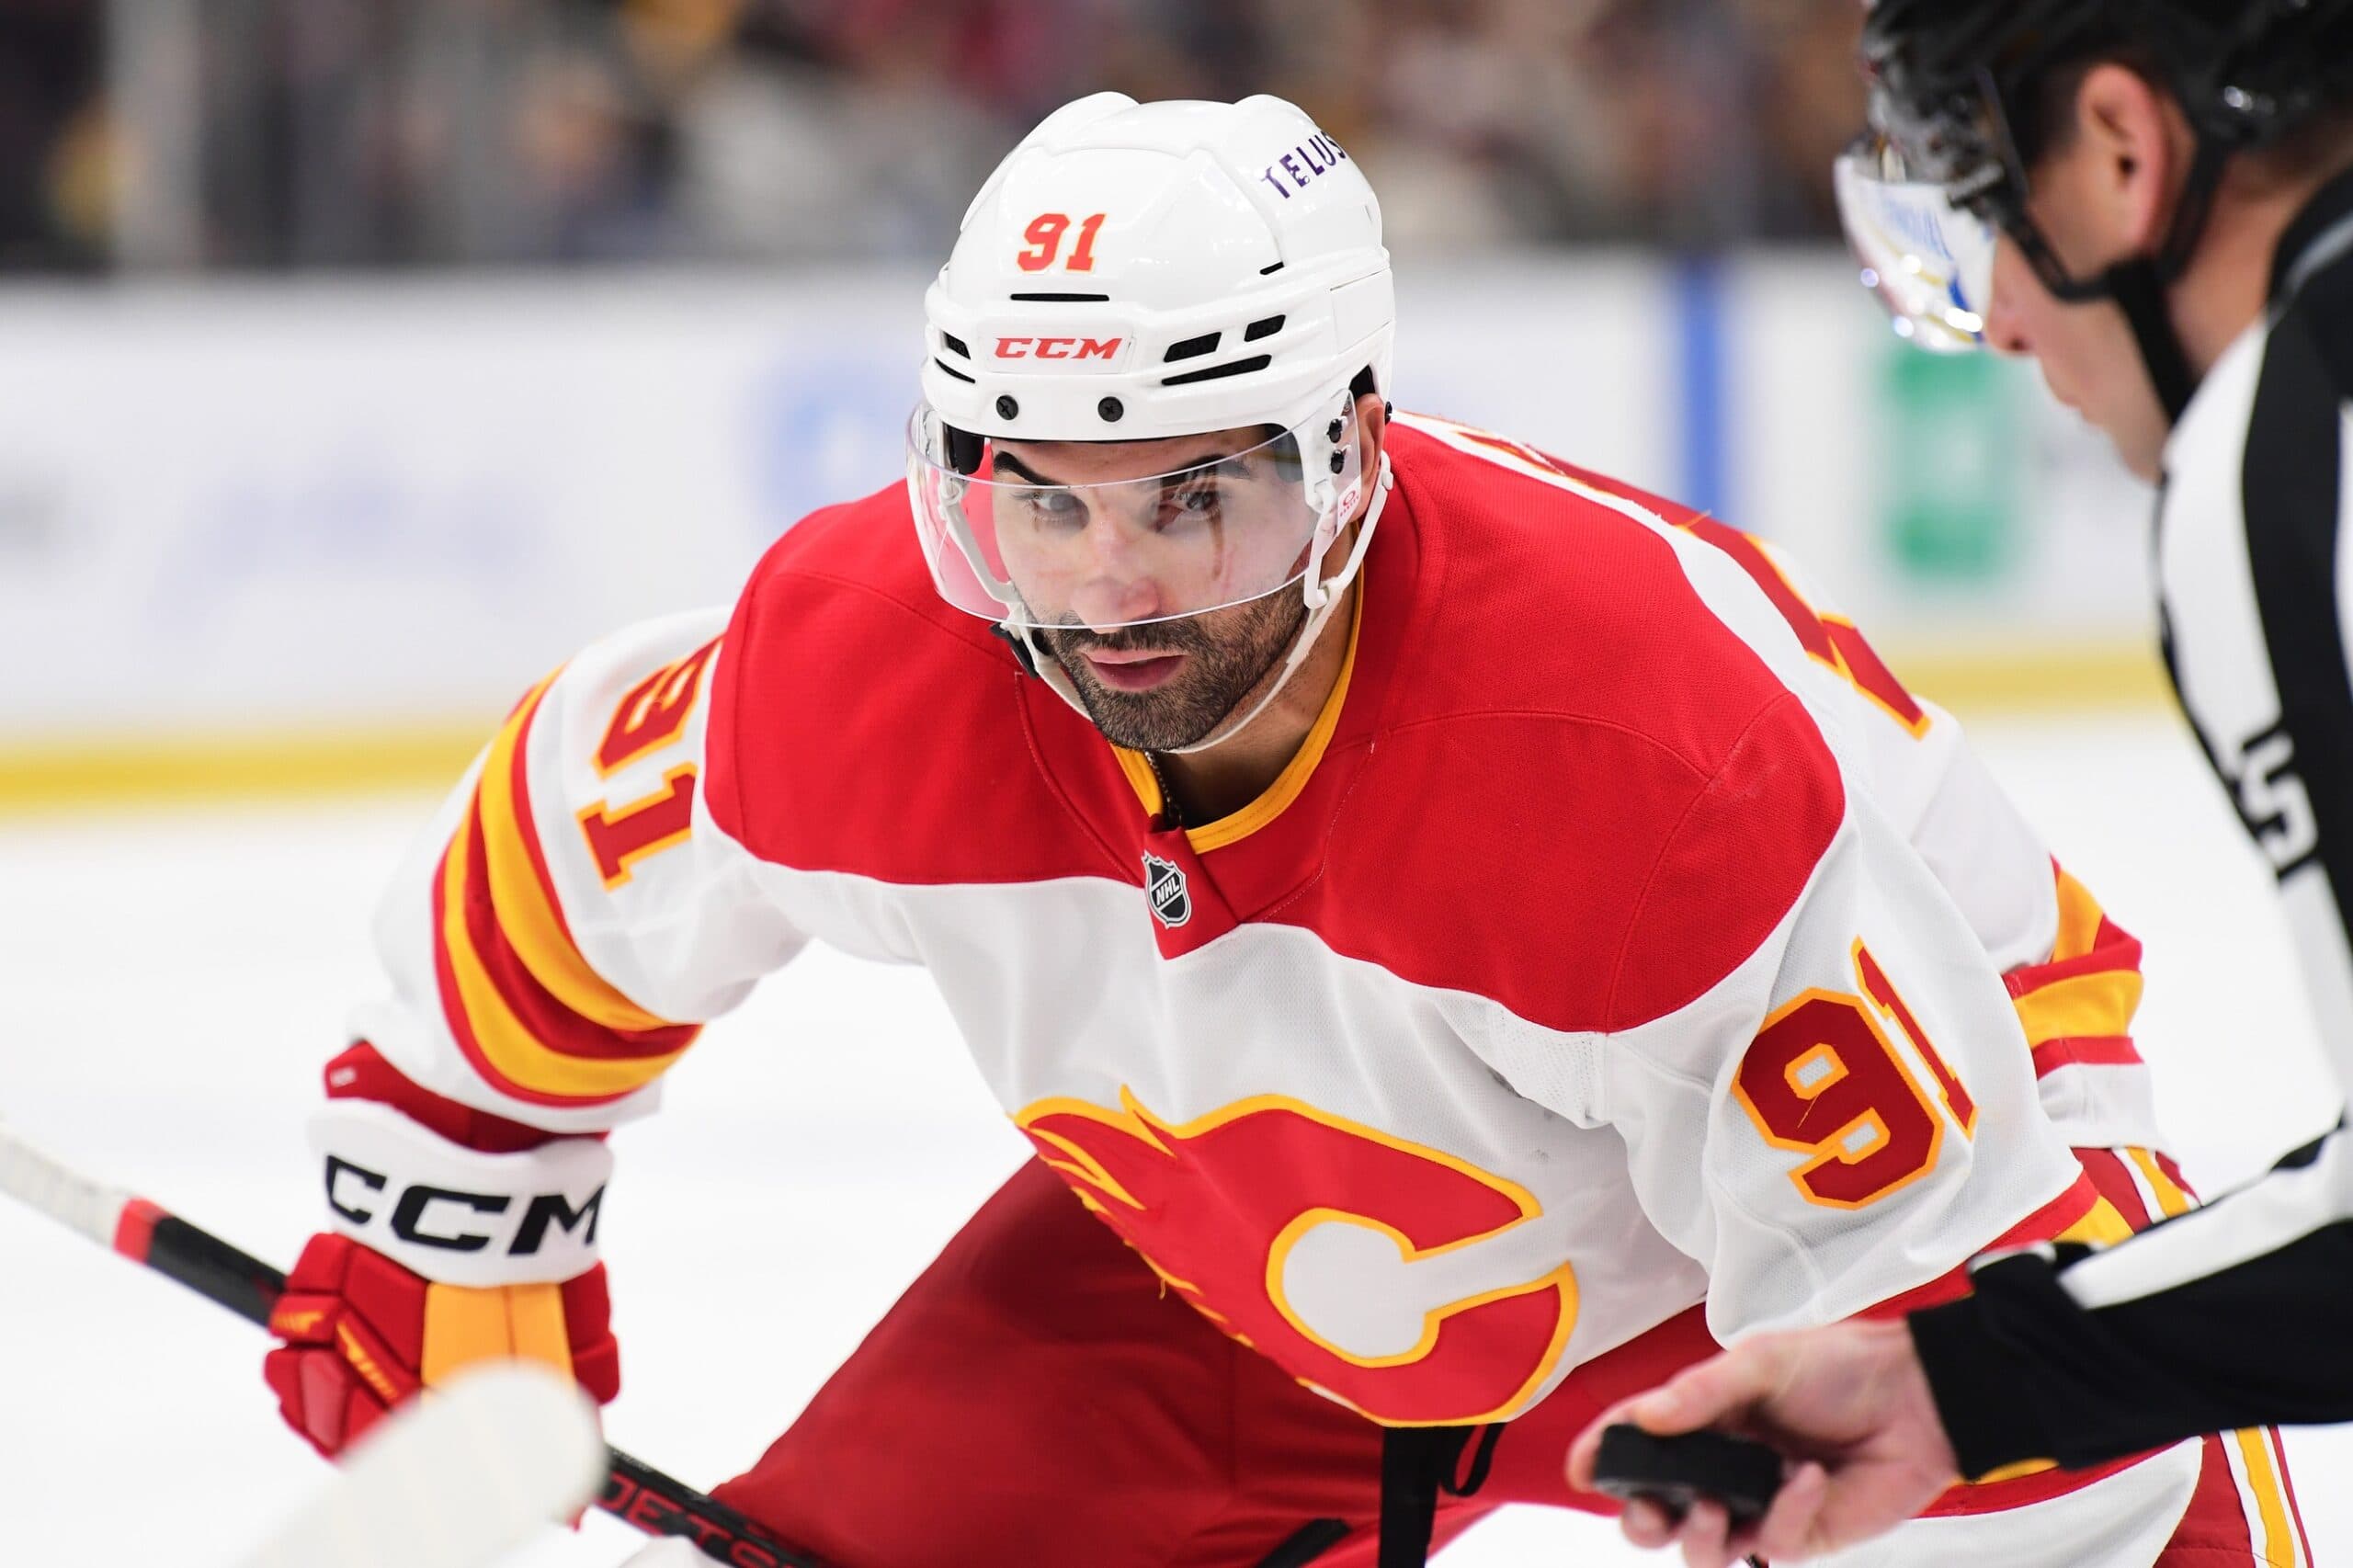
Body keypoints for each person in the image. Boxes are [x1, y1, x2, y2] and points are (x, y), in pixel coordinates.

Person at [255, 92, 2290, 1567]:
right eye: (1035, 500)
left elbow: (1959, 1340)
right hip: (1297, 1246)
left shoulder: (1618, 773)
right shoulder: (877, 659)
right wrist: (458, 1180)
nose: (1110, 595)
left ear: (1351, 460)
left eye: (1192, 499)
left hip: (1894, 1173)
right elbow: (565, 856)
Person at [1567, 2, 2353, 1564]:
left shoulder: (2291, 446)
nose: (1998, 318)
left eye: (1989, 209)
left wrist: (1970, 1375)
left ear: (2125, 151)